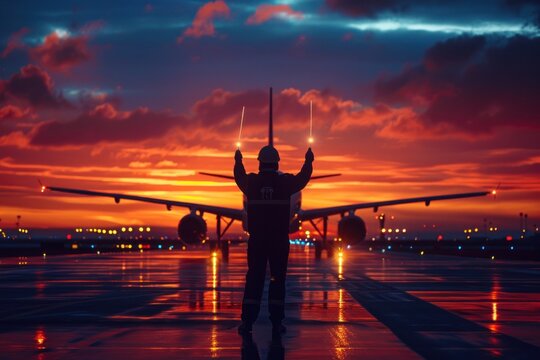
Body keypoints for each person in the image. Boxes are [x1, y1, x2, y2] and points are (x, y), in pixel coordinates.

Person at [234, 145, 314, 336]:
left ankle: (247, 323)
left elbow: (239, 177)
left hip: (257, 240)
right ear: (277, 162)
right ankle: (277, 324)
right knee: (277, 280)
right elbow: (303, 179)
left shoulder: (252, 183)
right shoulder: (285, 183)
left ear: (260, 163)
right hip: (278, 240)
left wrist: (238, 162)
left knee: (254, 279)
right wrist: (308, 162)